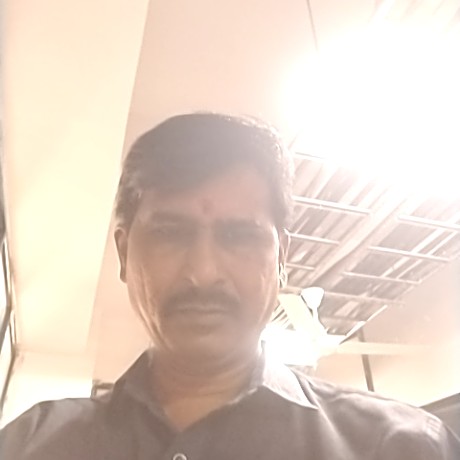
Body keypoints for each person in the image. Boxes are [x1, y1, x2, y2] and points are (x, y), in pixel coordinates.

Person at [1, 113, 459, 459]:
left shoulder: (398, 447)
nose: (203, 273)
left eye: (239, 235)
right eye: (170, 233)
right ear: (124, 253)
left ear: (281, 259)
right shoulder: (29, 446)